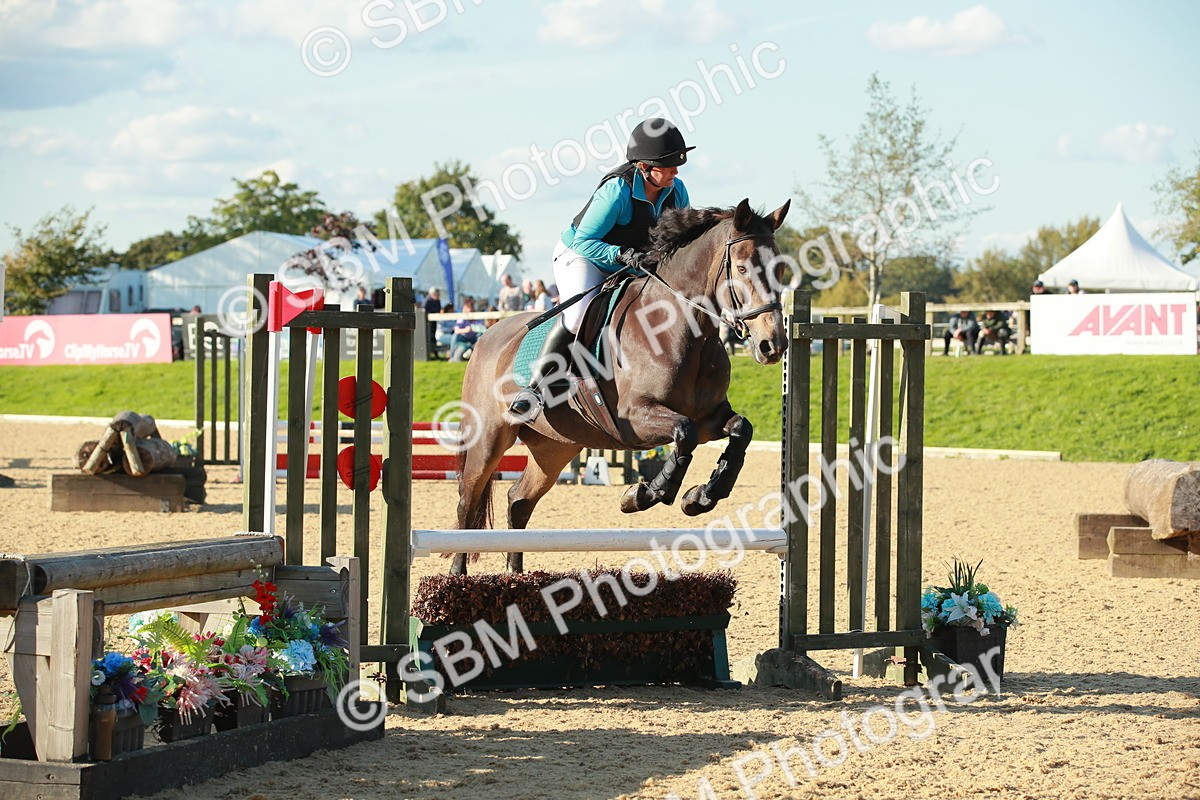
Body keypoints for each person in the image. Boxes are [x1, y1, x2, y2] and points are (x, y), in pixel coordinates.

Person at [508, 118, 694, 421]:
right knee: (579, 312)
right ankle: (535, 389)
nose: (676, 170)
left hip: (631, 260)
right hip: (582, 255)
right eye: (669, 165)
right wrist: (620, 254)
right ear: (645, 167)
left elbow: (678, 240)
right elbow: (584, 241)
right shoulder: (617, 191)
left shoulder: (677, 191)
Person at [422, 287, 442, 360]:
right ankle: (430, 354)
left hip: (434, 321)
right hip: (427, 323)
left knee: (433, 337)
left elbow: (438, 310)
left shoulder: (437, 301)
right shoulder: (427, 301)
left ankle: (434, 353)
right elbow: (423, 310)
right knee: (429, 337)